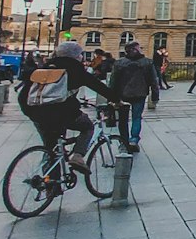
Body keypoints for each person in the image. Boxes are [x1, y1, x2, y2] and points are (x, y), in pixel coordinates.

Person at [18, 41, 120, 172]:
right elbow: (98, 86)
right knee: (87, 126)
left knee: (51, 148)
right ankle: (77, 156)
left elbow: (25, 92)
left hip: (34, 111)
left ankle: (50, 185)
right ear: (77, 56)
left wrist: (31, 112)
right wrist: (117, 101)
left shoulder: (44, 67)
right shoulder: (74, 68)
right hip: (60, 112)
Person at [109, 40, 156, 152]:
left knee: (122, 120)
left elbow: (113, 81)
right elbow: (153, 81)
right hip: (140, 94)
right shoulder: (147, 62)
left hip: (123, 94)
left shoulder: (120, 63)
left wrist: (110, 97)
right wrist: (155, 96)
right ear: (135, 49)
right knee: (137, 117)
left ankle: (124, 141)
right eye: (139, 48)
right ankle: (133, 139)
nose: (141, 49)